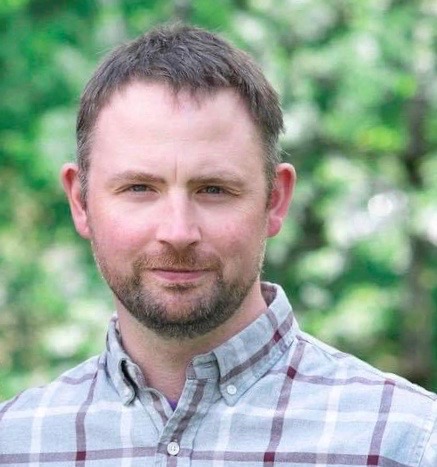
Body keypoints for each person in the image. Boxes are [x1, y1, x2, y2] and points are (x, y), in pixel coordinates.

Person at [0, 23, 435, 466]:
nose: (178, 231)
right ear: (80, 201)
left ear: (275, 201)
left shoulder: (405, 443)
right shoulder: (15, 445)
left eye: (213, 189)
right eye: (139, 188)